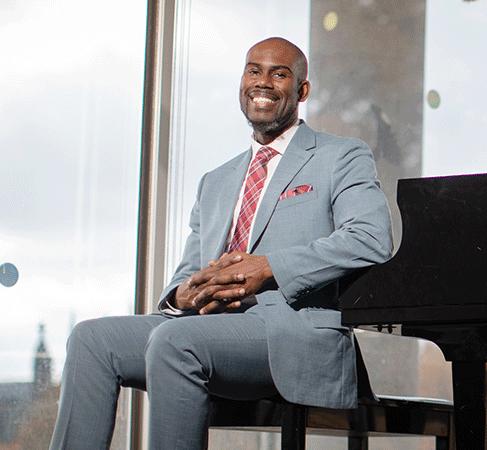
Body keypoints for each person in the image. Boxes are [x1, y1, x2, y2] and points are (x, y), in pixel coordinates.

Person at [49, 37, 392, 450]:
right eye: (253, 70)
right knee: (90, 340)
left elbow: (371, 237)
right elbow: (187, 272)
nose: (262, 82)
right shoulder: (215, 181)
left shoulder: (341, 156)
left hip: (291, 332)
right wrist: (182, 294)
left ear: (302, 91)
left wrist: (267, 267)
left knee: (174, 342)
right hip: (207, 326)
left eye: (278, 73)